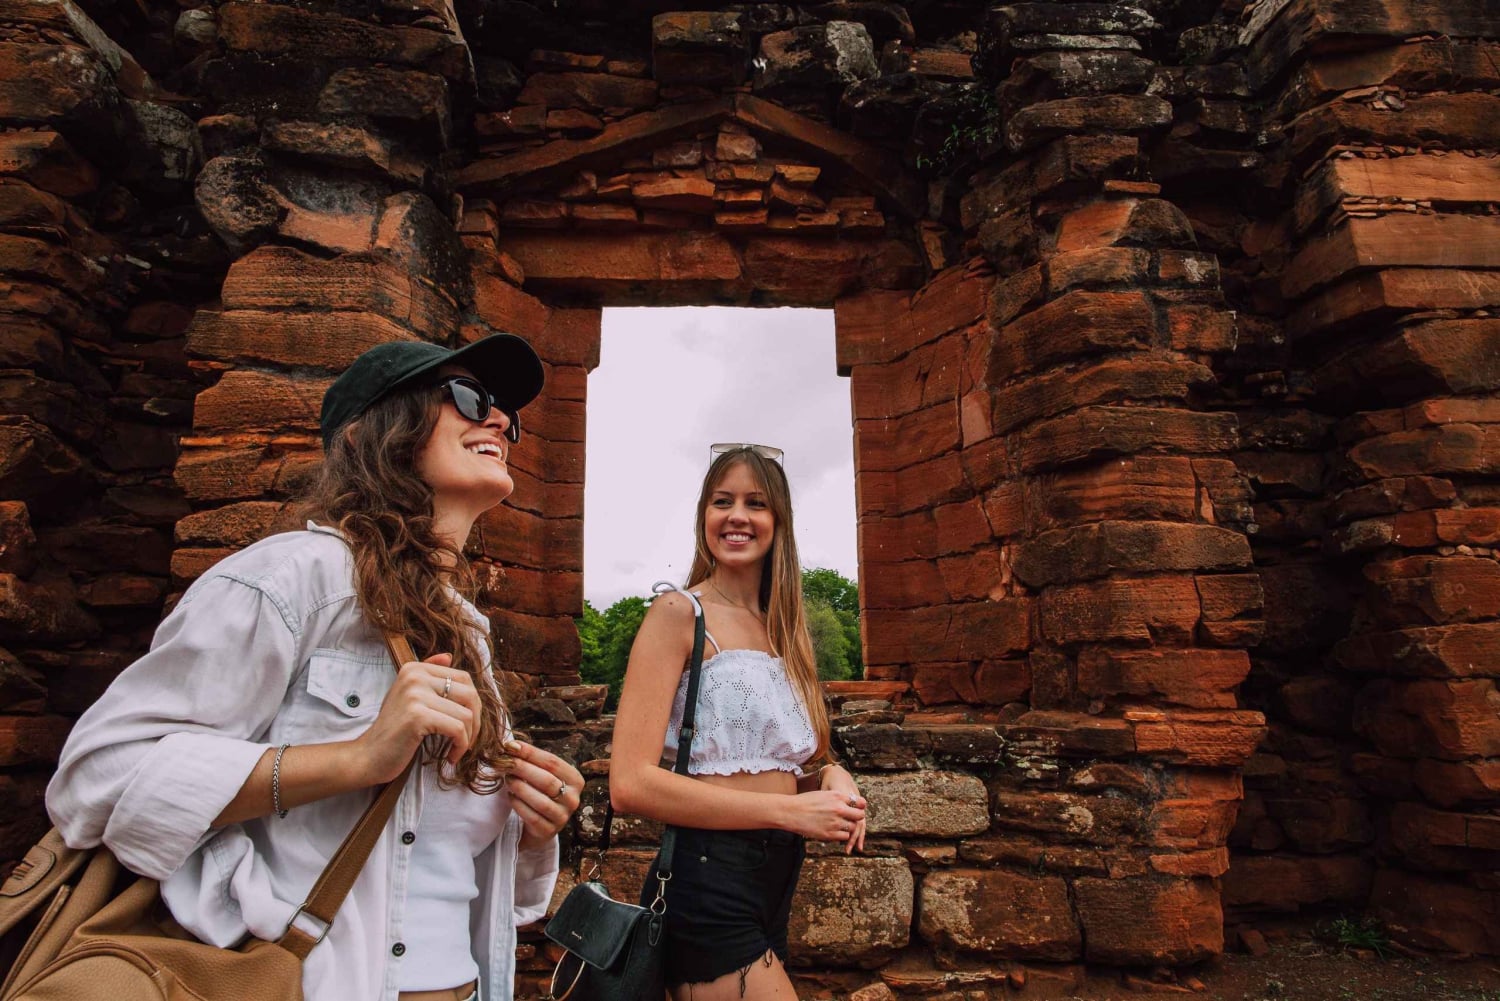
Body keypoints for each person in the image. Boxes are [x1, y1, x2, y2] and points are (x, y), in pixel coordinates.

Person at [45, 334, 583, 1001]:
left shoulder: (467, 629)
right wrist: (356, 758)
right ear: (375, 434)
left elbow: (427, 865)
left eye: (509, 414)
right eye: (469, 398)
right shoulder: (293, 579)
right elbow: (96, 778)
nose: (499, 419)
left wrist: (530, 826)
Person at [609, 443, 868, 1001]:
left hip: (774, 882)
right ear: (703, 514)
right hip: (708, 880)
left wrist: (831, 778)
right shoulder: (679, 614)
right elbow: (629, 783)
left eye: (755, 503)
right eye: (721, 501)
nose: (737, 516)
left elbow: (789, 760)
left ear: (779, 521)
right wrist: (790, 811)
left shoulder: (786, 630)